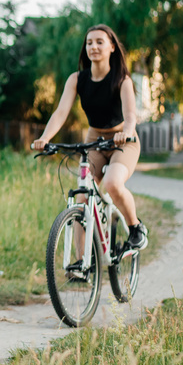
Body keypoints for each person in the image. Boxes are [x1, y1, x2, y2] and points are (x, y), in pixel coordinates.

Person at [31, 24, 148, 255]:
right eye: (89, 43)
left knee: (113, 183)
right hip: (94, 137)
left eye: (99, 42)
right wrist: (45, 137)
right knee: (82, 197)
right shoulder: (77, 79)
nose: (93, 46)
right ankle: (79, 264)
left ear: (112, 47)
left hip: (123, 140)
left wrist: (127, 131)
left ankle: (136, 228)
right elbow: (61, 112)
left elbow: (130, 115)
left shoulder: (122, 80)